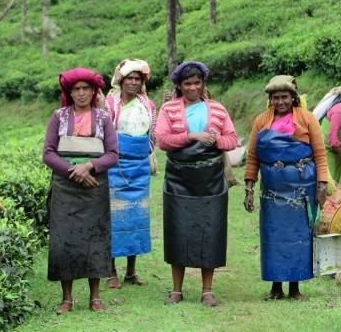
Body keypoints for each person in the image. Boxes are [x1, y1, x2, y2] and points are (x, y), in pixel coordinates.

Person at [155, 61, 238, 307]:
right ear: (179, 86)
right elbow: (162, 140)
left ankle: (207, 290)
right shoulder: (168, 109)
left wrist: (215, 141)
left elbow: (232, 139)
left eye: (197, 83)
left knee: (210, 231)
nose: (193, 88)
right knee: (177, 231)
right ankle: (177, 290)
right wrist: (192, 136)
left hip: (210, 180)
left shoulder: (218, 109)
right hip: (178, 179)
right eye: (188, 83)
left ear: (203, 85)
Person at [243, 75, 328, 301]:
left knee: (299, 236)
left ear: (293, 98)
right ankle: (276, 287)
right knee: (273, 236)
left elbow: (319, 154)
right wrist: (249, 188)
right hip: (272, 192)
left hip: (301, 190)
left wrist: (322, 186)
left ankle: (295, 287)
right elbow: (253, 157)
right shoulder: (261, 121)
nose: (280, 102)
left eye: (284, 97)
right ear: (270, 100)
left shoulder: (307, 119)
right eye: (275, 98)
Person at [42, 68, 118, 314]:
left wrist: (89, 166)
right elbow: (49, 153)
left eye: (86, 88)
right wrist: (73, 170)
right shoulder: (59, 117)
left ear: (94, 91)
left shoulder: (104, 118)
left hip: (95, 187)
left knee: (95, 237)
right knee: (65, 239)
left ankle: (95, 296)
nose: (82, 93)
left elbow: (112, 155)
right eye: (76, 89)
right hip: (66, 187)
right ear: (69, 92)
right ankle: (67, 298)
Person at [104, 59, 156, 289]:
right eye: (130, 79)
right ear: (121, 81)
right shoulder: (110, 103)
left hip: (139, 166)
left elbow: (151, 134)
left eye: (138, 79)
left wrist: (145, 152)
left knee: (137, 216)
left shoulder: (146, 104)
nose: (134, 83)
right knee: (116, 217)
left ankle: (131, 271)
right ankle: (111, 271)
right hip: (116, 165)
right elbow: (105, 132)